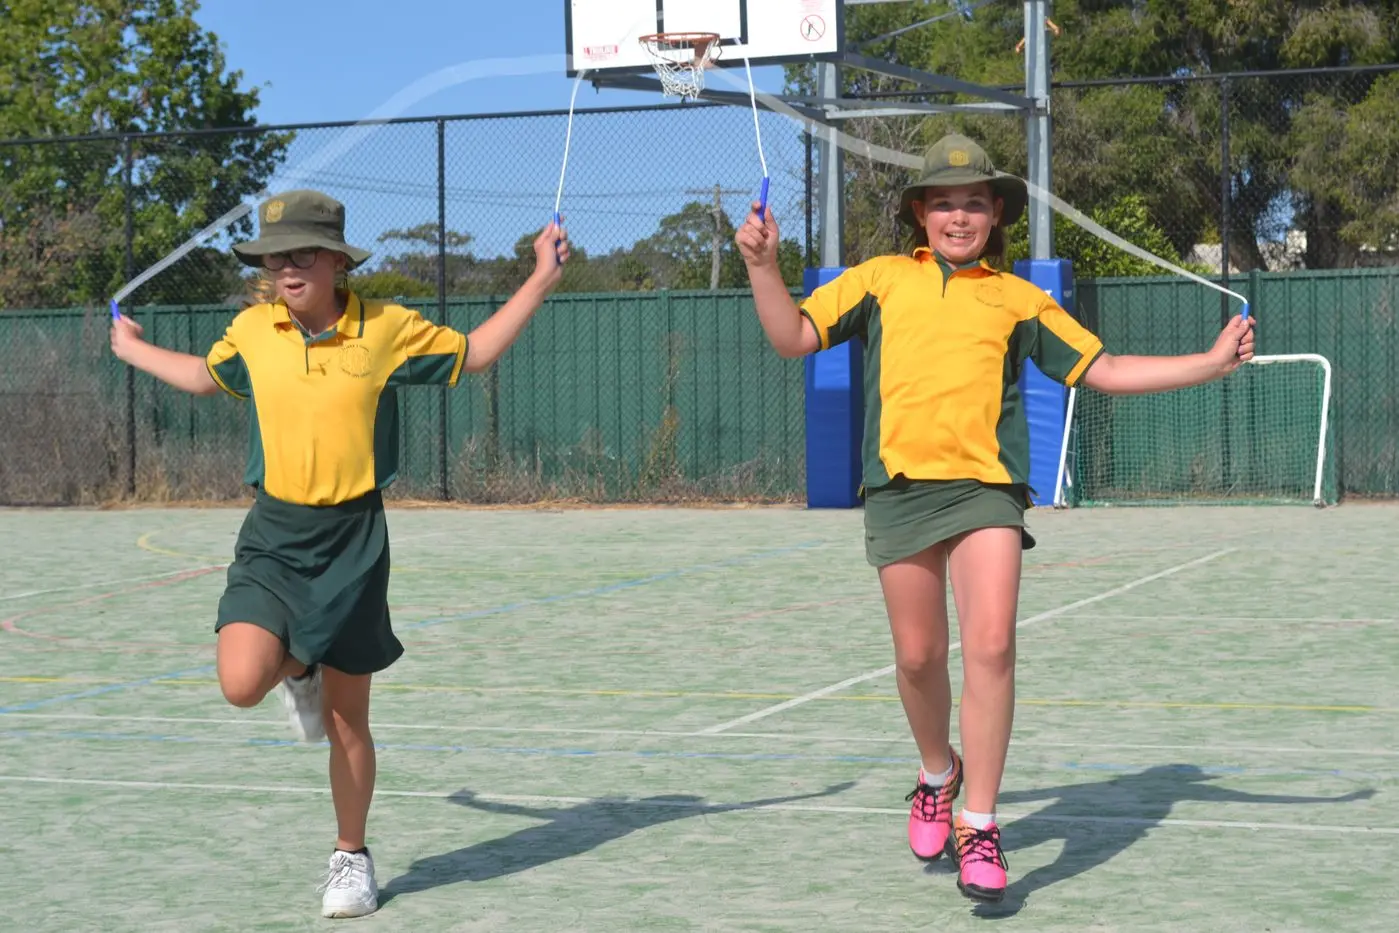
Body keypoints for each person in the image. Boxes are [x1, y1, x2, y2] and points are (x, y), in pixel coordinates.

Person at [734, 134, 1254, 903]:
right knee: (916, 657)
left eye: (973, 201)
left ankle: (980, 821)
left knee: (991, 642)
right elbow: (790, 338)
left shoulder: (1018, 298)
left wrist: (1206, 364)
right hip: (900, 488)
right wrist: (760, 265)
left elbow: (1101, 369)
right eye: (943, 201)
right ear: (919, 211)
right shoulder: (876, 280)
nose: (957, 214)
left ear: (996, 213)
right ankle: (938, 773)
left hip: (986, 492)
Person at [109, 189, 570, 919]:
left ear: (334, 260)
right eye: (272, 256)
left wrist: (541, 276)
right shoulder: (253, 330)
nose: (285, 268)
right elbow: (204, 376)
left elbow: (476, 354)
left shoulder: (385, 327)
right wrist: (131, 347)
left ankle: (350, 856)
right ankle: (301, 666)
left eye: (300, 253)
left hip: (353, 539)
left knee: (350, 720)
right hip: (273, 535)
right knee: (238, 681)